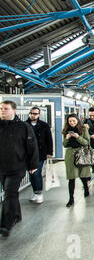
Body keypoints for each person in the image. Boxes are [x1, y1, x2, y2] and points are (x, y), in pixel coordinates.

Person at [0, 100, 39, 237]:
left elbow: (31, 146)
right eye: (1, 109)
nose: (2, 111)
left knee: (9, 193)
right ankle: (17, 214)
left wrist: (33, 165)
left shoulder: (23, 127)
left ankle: (6, 224)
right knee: (9, 191)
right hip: (2, 167)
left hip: (17, 166)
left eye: (5, 109)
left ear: (14, 110)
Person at [25, 107, 53, 204]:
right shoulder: (25, 125)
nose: (33, 115)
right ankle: (35, 192)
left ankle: (39, 192)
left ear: (39, 115)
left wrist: (50, 152)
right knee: (31, 174)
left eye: (35, 113)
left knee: (36, 173)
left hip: (40, 153)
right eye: (32, 113)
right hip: (28, 154)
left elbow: (49, 139)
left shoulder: (44, 125)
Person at [62, 114, 91, 208]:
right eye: (70, 121)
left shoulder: (83, 129)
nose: (72, 123)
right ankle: (71, 198)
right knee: (71, 177)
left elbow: (87, 142)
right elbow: (64, 145)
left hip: (81, 153)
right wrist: (67, 138)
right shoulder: (66, 131)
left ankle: (86, 188)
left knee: (83, 175)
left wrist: (78, 137)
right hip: (70, 155)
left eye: (74, 121)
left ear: (77, 121)